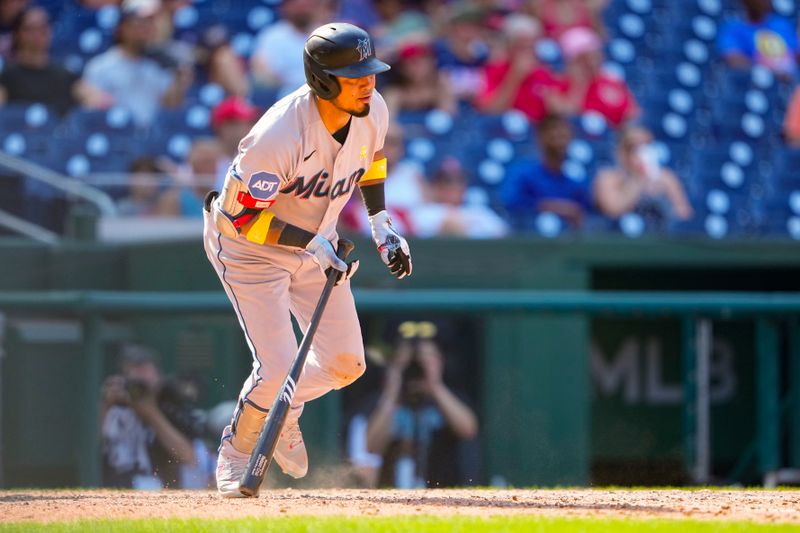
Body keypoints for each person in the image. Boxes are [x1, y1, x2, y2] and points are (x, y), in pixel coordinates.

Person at [203, 22, 413, 497]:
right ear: (322, 79)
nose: (368, 82)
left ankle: (286, 409)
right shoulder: (279, 133)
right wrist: (309, 241)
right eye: (355, 75)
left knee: (346, 365)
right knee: (276, 365)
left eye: (370, 71)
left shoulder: (371, 107)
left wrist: (381, 224)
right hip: (249, 251)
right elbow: (236, 218)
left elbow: (372, 158)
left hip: (315, 243)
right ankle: (237, 450)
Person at [364, 321, 479, 488]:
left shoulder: (450, 396)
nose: (417, 366)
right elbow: (370, 445)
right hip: (392, 492)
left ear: (440, 361)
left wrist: (435, 386)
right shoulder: (383, 400)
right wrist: (393, 390)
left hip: (443, 491)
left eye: (427, 359)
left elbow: (469, 430)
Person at [99, 344, 210, 489]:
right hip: (116, 486)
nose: (141, 376)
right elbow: (92, 447)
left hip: (162, 488)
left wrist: (151, 413)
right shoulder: (115, 407)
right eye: (133, 371)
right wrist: (105, 406)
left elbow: (190, 458)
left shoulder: (170, 403)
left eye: (145, 369)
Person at [82, 0, 192, 127]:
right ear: (123, 27)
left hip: (150, 140)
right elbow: (91, 110)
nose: (146, 28)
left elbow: (170, 106)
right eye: (140, 23)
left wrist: (179, 83)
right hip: (116, 136)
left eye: (150, 23)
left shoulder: (161, 65)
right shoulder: (100, 66)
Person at [0, 6, 108, 115]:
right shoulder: (7, 74)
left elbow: (95, 98)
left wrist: (95, 102)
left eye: (43, 28)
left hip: (58, 131)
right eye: (31, 28)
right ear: (17, 33)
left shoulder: (63, 73)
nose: (38, 34)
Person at [593, 125, 692, 230]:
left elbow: (684, 213)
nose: (643, 152)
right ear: (622, 152)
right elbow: (612, 211)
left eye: (647, 145)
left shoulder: (665, 177)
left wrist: (663, 197)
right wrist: (637, 181)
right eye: (634, 148)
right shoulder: (607, 177)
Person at [501, 114, 591, 228]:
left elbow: (584, 210)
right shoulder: (522, 172)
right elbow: (511, 202)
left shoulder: (575, 179)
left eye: (564, 136)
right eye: (554, 136)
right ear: (541, 137)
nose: (559, 142)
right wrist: (555, 207)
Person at [475, 14, 567, 123]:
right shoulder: (493, 70)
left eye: (531, 46)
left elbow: (562, 111)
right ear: (510, 46)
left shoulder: (543, 72)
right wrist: (515, 76)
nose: (527, 51)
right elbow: (491, 111)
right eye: (522, 46)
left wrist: (550, 96)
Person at [409, 156, 509, 238]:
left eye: (460, 181)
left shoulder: (479, 212)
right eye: (448, 182)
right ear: (435, 186)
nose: (455, 187)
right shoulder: (423, 212)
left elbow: (503, 233)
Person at [558, 27, 639, 128]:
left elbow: (632, 112)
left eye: (594, 54)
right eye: (585, 58)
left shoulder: (611, 79)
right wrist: (580, 83)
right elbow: (568, 113)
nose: (592, 61)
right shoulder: (561, 82)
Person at [250, 0, 325, 98]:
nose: (302, 10)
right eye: (298, 6)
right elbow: (261, 73)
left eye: (306, 5)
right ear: (286, 7)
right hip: (283, 97)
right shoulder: (271, 36)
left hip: (322, 95)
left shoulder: (327, 34)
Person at [718, 0, 799, 79]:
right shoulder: (734, 29)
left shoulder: (782, 24)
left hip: (793, 83)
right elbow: (734, 60)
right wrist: (772, 72)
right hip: (759, 84)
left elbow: (796, 53)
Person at [382, 42, 457, 122]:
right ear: (402, 68)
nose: (418, 67)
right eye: (412, 63)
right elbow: (388, 122)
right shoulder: (395, 93)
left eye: (423, 61)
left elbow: (450, 115)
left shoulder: (440, 87)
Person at [156, 139, 221, 217]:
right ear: (194, 167)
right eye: (205, 163)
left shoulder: (226, 201)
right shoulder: (174, 200)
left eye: (213, 163)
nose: (209, 168)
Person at [210, 96, 259, 191]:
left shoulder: (254, 156)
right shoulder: (206, 158)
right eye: (240, 123)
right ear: (225, 126)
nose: (249, 127)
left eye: (249, 122)